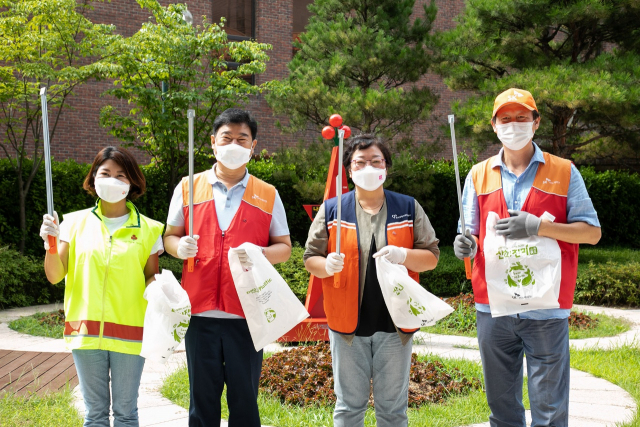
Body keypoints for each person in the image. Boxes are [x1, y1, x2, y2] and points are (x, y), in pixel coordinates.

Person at [453, 88, 602, 427]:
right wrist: (465, 245)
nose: (514, 125)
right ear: (494, 125)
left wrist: (540, 227)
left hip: (546, 307)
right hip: (492, 308)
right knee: (502, 411)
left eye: (522, 118)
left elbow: (591, 233)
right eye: (506, 119)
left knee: (549, 413)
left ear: (536, 123)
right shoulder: (477, 174)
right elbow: (470, 234)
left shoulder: (564, 171)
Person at [163, 108, 292, 427]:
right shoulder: (187, 187)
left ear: (253, 146)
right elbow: (169, 236)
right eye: (227, 138)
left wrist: (261, 252)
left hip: (246, 316)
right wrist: (178, 247)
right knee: (201, 403)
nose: (233, 144)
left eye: (242, 139)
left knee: (244, 401)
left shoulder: (267, 195)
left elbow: (284, 248)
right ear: (212, 143)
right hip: (199, 314)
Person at [304, 134, 440, 427]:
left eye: (375, 161)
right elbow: (309, 258)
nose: (368, 167)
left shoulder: (408, 207)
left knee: (392, 410)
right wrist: (326, 265)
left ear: (386, 167)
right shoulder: (332, 210)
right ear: (350, 170)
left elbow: (431, 257)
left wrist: (404, 254)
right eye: (359, 162)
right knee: (349, 408)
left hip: (395, 326)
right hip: (346, 326)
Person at [40, 146, 165, 427]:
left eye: (121, 175)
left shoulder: (149, 229)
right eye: (105, 173)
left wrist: (166, 291)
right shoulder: (72, 223)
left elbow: (150, 279)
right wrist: (50, 243)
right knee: (94, 415)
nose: (112, 180)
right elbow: (55, 276)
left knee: (125, 414)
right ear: (93, 178)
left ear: (132, 182)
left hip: (130, 333)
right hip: (84, 332)